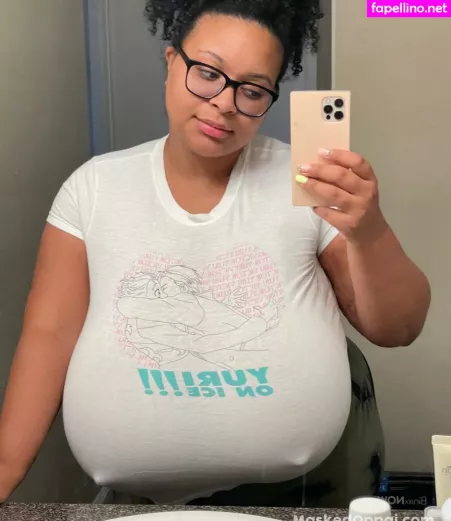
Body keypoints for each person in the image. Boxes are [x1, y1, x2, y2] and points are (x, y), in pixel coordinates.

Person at [0, 0, 431, 507]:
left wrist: (369, 230)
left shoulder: (306, 184)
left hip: (303, 496)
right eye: (207, 74)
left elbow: (397, 328)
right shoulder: (93, 188)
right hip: (141, 503)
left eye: (252, 90)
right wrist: (5, 469)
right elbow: (49, 336)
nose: (225, 103)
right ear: (171, 62)